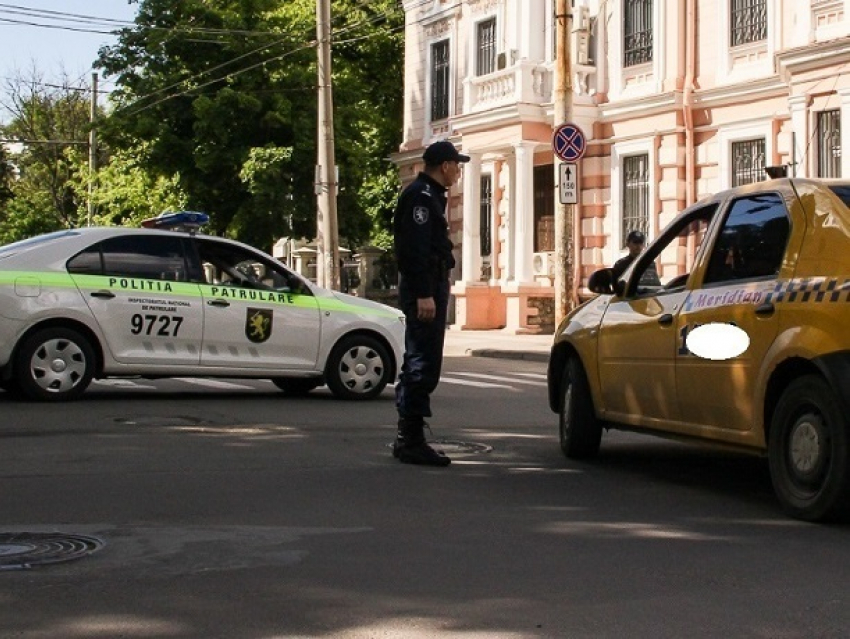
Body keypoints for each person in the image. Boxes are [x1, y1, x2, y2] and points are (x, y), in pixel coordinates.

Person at [391, 139, 469, 467]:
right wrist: (424, 292)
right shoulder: (420, 198)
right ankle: (410, 439)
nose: (459, 170)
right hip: (424, 288)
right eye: (457, 164)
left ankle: (409, 436)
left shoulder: (430, 196)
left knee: (425, 361)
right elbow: (414, 250)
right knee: (421, 362)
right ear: (445, 165)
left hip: (432, 284)